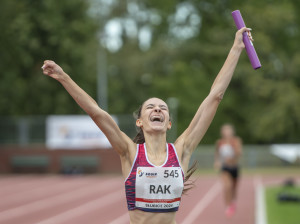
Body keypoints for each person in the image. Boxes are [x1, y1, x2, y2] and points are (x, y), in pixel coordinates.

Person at [42, 27, 251, 224]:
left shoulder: (181, 150)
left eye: (163, 107)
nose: (157, 109)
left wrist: (236, 48)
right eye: (150, 107)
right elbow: (96, 112)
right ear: (139, 121)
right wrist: (64, 77)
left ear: (169, 123)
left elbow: (215, 97)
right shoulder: (129, 152)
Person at [214, 124, 242, 218]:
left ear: (232, 132)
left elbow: (239, 154)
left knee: (233, 189)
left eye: (228, 131)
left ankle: (232, 202)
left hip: (234, 167)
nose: (227, 133)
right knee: (227, 187)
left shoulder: (236, 141)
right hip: (225, 168)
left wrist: (233, 152)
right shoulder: (219, 142)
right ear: (222, 132)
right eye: (225, 131)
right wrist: (217, 162)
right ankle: (228, 206)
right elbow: (217, 155)